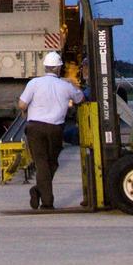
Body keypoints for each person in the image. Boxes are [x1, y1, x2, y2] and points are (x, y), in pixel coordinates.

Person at [18, 51, 84, 210]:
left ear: (45, 67)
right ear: (59, 69)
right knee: (51, 163)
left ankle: (38, 191)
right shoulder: (65, 85)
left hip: (35, 128)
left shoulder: (34, 83)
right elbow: (80, 99)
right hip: (55, 129)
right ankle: (47, 201)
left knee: (41, 164)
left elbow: (22, 105)